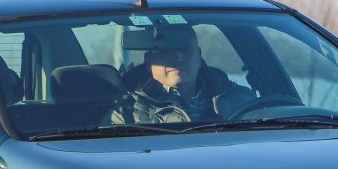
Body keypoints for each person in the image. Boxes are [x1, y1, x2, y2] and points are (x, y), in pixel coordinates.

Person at [107, 26, 254, 124]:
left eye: (185, 50)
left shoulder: (241, 102)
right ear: (149, 61)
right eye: (167, 50)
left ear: (199, 56)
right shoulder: (124, 111)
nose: (177, 58)